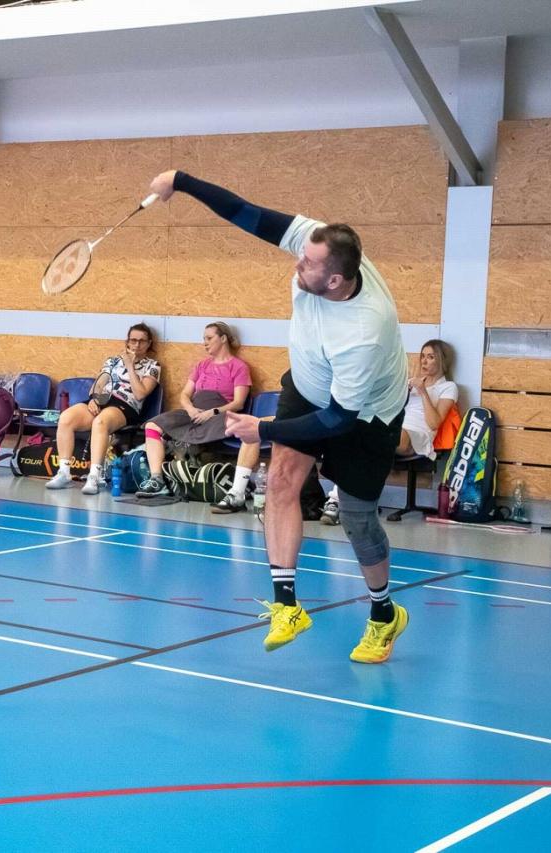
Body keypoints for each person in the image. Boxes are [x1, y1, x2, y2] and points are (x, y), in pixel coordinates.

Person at [150, 168, 409, 664]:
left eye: (307, 263)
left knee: (357, 519)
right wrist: (182, 181)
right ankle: (287, 606)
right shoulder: (322, 245)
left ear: (334, 280)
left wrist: (264, 428)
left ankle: (383, 613)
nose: (297, 262)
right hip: (310, 383)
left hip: (366, 413)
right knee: (281, 481)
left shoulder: (363, 333)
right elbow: (249, 215)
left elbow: (338, 420)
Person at [320, 339, 458, 525]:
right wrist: (401, 392)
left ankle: (346, 501)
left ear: (442, 360)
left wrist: (423, 392)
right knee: (360, 443)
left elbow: (434, 423)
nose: (424, 361)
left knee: (371, 440)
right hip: (395, 428)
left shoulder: (448, 387)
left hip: (417, 434)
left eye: (431, 357)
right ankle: (338, 501)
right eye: (423, 356)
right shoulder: (410, 382)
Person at [136, 322, 250, 498]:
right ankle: (157, 479)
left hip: (219, 414)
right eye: (204, 338)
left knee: (230, 423)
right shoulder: (201, 365)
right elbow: (185, 395)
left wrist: (212, 412)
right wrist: (190, 409)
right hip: (194, 411)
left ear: (223, 338)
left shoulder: (239, 366)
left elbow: (239, 403)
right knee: (152, 425)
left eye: (209, 338)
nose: (205, 342)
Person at [45, 323, 161, 495]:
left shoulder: (153, 366)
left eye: (142, 341)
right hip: (102, 400)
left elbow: (140, 394)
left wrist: (130, 366)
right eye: (133, 340)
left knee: (100, 422)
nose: (137, 345)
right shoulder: (112, 361)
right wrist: (94, 399)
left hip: (126, 405)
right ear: (127, 341)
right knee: (66, 418)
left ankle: (94, 476)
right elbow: (98, 385)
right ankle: (64, 472)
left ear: (149, 343)